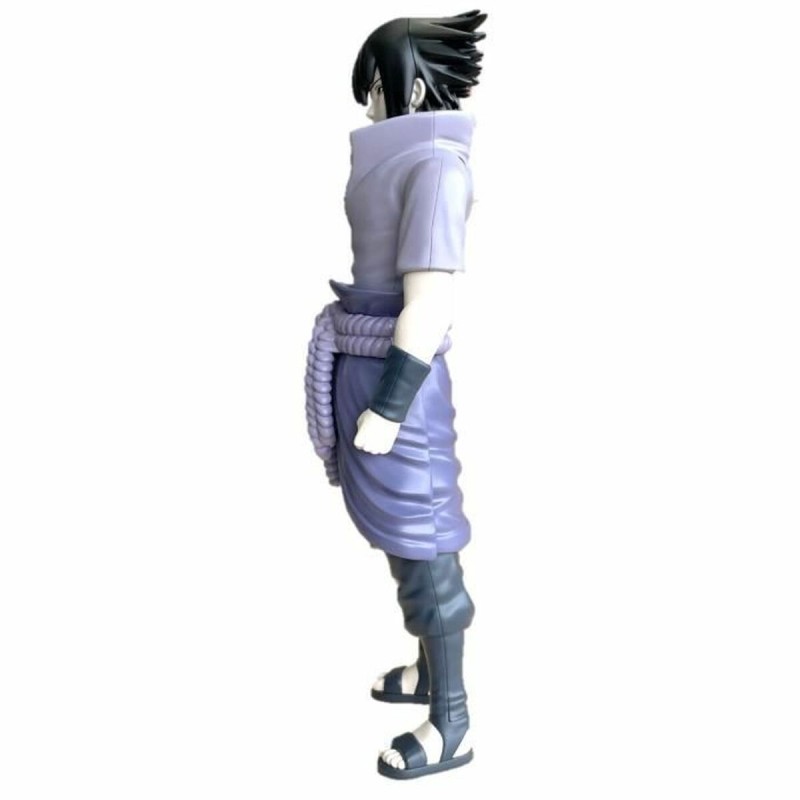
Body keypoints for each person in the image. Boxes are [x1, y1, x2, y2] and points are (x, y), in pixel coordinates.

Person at [305, 10, 487, 779]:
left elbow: (430, 302)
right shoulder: (404, 159)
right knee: (399, 538)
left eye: (376, 88)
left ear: (407, 87)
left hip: (396, 382)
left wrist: (388, 403)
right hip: (365, 360)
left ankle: (452, 719)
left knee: (426, 538)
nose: (371, 104)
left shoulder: (438, 167)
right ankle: (428, 666)